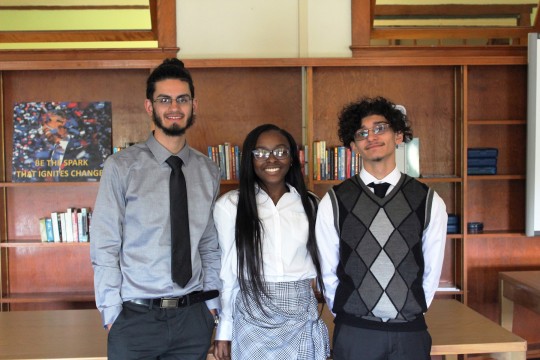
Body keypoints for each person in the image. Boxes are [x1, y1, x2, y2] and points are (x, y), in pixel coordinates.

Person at [90, 58, 221, 360]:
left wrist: (212, 305)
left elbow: (209, 245)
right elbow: (105, 245)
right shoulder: (121, 168)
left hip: (193, 318)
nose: (174, 107)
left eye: (182, 99)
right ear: (150, 107)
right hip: (136, 320)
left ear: (193, 105)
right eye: (164, 99)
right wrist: (112, 315)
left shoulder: (208, 170)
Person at [315, 96, 447, 360]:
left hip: (410, 331)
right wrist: (347, 311)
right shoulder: (334, 200)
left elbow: (432, 271)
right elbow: (328, 270)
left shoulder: (428, 200)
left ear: (398, 135)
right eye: (362, 133)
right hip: (354, 330)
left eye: (380, 128)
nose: (371, 137)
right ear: (353, 146)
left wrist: (410, 309)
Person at [213, 124, 330, 360]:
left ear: (293, 158)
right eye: (261, 153)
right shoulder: (229, 207)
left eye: (280, 151)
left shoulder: (312, 204)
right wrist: (224, 330)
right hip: (251, 315)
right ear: (250, 158)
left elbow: (326, 264)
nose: (271, 159)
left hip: (300, 312)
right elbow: (228, 272)